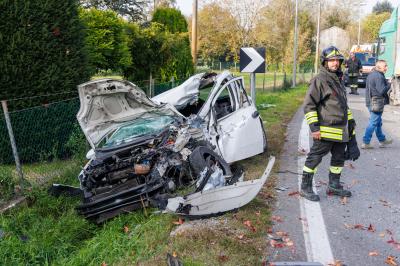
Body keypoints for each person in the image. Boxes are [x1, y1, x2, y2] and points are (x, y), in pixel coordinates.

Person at [301, 46, 355, 201]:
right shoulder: (319, 80)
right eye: (331, 60)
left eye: (337, 60)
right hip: (324, 131)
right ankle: (305, 188)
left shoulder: (338, 79)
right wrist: (314, 128)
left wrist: (351, 125)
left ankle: (333, 186)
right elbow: (309, 105)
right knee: (314, 159)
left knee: (338, 160)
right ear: (325, 62)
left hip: (341, 131)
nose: (335, 63)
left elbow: (343, 106)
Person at [361, 60, 393, 148]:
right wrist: (389, 84)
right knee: (373, 123)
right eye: (385, 66)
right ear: (379, 67)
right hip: (376, 102)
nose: (386, 68)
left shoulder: (372, 74)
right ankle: (366, 142)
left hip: (371, 101)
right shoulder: (378, 76)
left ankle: (382, 140)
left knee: (378, 122)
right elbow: (382, 90)